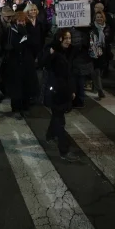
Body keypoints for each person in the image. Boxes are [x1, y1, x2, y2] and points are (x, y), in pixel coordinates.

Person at [43, 29, 78, 162]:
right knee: (60, 121)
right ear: (59, 39)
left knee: (57, 116)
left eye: (70, 38)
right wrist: (50, 54)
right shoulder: (52, 51)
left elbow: (69, 74)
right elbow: (42, 63)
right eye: (66, 38)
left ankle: (49, 136)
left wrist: (72, 90)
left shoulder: (68, 52)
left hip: (65, 91)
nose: (69, 41)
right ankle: (64, 151)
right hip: (55, 92)